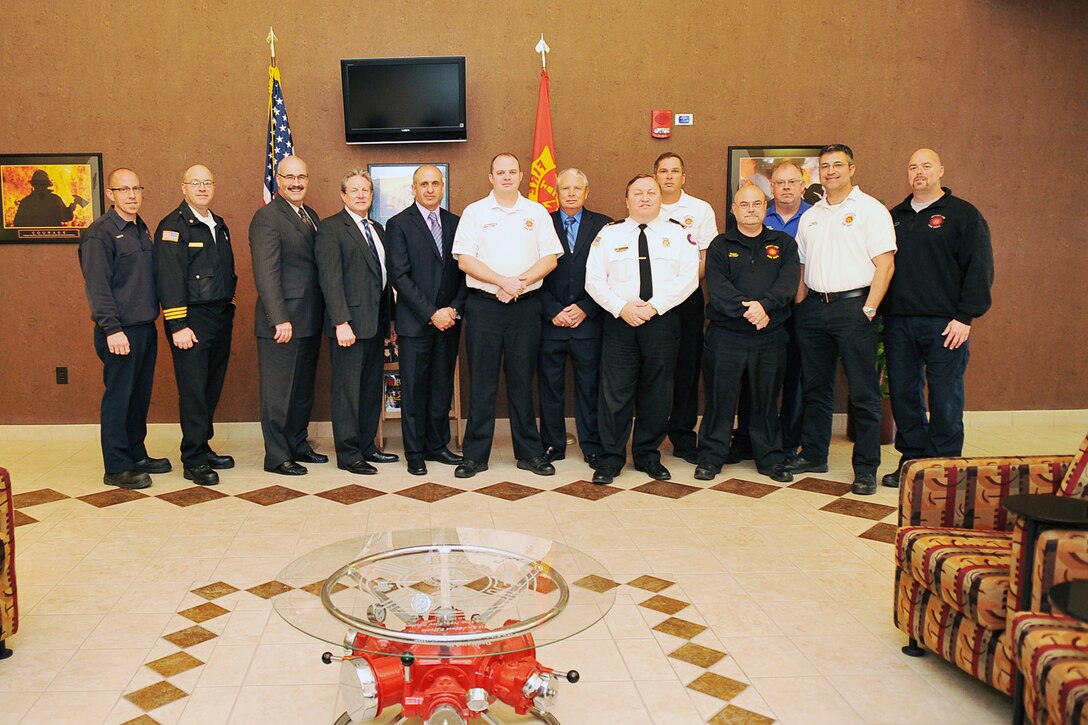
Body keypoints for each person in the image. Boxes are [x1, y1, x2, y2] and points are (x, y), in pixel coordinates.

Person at [786, 144, 896, 495]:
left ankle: (865, 468)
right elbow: (803, 267)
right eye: (824, 166)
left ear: (852, 168)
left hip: (854, 308)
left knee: (863, 392)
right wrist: (800, 306)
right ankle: (815, 454)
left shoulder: (870, 209)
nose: (830, 171)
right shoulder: (812, 215)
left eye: (837, 165)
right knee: (816, 387)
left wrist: (869, 308)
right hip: (814, 308)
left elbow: (886, 264)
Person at [881, 148, 994, 487]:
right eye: (913, 167)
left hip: (946, 324)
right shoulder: (895, 216)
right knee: (903, 393)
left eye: (926, 166)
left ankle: (944, 468)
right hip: (899, 322)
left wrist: (965, 317)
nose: (919, 172)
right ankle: (913, 461)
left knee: (945, 396)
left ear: (941, 170)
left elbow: (980, 268)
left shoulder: (963, 215)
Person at [451, 153, 562, 478]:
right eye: (500, 172)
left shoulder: (536, 212)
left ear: (521, 176)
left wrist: (518, 284)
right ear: (491, 176)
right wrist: (502, 282)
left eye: (512, 171)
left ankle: (529, 453)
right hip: (484, 307)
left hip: (525, 307)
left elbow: (550, 259)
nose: (507, 177)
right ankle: (475, 456)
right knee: (482, 383)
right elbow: (464, 261)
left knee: (522, 381)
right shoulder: (475, 212)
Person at [585, 174, 699, 485]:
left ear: (660, 198)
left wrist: (655, 306)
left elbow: (688, 278)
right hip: (620, 321)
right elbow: (594, 280)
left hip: (661, 321)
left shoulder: (678, 234)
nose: (645, 198)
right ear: (627, 200)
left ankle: (648, 455)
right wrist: (621, 308)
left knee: (657, 391)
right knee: (615, 393)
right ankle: (610, 458)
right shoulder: (609, 234)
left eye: (651, 192)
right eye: (637, 193)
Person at [696, 185, 799, 483]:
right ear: (734, 209)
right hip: (727, 336)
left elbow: (788, 282)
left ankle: (769, 459)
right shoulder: (719, 245)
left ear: (765, 208)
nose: (751, 209)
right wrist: (750, 311)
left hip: (770, 335)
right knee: (719, 399)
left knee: (766, 400)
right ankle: (711, 457)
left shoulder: (783, 244)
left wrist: (765, 307)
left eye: (756, 204)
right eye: (744, 204)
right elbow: (718, 288)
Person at [78, 168, 169, 489]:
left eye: (136, 189)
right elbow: (98, 287)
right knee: (119, 397)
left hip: (145, 326)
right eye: (124, 189)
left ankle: (136, 453)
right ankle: (117, 466)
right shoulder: (100, 233)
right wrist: (112, 329)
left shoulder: (141, 228)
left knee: (139, 396)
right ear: (110, 194)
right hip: (119, 332)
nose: (131, 195)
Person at [155, 165, 237, 486]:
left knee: (210, 387)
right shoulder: (173, 226)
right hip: (190, 320)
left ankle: (203, 444)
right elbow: (169, 277)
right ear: (183, 187)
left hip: (218, 317)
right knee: (192, 391)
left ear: (213, 187)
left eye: (207, 183)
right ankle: (193, 458)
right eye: (195, 183)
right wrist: (177, 325)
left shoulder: (218, 223)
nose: (202, 188)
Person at [316, 168, 399, 475]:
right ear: (343, 195)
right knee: (347, 392)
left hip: (376, 325)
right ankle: (349, 454)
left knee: (368, 390)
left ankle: (367, 447)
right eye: (354, 190)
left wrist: (390, 321)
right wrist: (340, 322)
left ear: (372, 195)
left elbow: (383, 279)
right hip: (348, 327)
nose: (361, 195)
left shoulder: (378, 229)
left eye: (366, 190)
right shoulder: (331, 229)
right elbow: (330, 280)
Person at [386, 164, 466, 476]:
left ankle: (437, 445)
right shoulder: (399, 224)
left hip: (449, 322)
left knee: (441, 388)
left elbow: (464, 273)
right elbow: (400, 277)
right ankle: (415, 452)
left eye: (435, 183)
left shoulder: (456, 223)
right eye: (424, 184)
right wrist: (432, 312)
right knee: (416, 390)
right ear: (414, 188)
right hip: (416, 323)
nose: (430, 189)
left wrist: (453, 311)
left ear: (443, 186)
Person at [249, 155, 326, 476]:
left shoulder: (310, 214)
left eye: (302, 177)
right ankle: (277, 455)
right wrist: (279, 318)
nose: (296, 183)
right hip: (282, 322)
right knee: (278, 393)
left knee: (302, 390)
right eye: (289, 177)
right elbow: (266, 272)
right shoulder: (267, 216)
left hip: (309, 318)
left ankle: (297, 443)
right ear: (277, 181)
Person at [730, 161, 812, 462]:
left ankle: (787, 441)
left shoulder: (814, 217)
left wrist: (768, 305)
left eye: (792, 182)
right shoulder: (762, 218)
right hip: (756, 315)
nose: (786, 187)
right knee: (754, 379)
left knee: (794, 377)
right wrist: (758, 309)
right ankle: (748, 439)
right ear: (771, 188)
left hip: (801, 308)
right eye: (780, 182)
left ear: (803, 185)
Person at [537, 168, 613, 470]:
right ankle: (553, 444)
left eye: (576, 188)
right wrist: (552, 310)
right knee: (550, 387)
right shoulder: (541, 223)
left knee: (590, 388)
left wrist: (586, 307)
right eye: (565, 188)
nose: (571, 193)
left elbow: (611, 275)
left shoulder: (605, 225)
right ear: (556, 191)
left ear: (586, 191)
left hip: (589, 321)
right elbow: (530, 270)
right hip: (550, 322)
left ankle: (592, 445)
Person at [654, 152, 717, 463]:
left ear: (683, 176)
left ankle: (682, 436)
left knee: (687, 366)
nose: (668, 176)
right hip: (650, 300)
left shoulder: (699, 209)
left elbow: (707, 256)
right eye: (663, 171)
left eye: (674, 171)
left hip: (688, 297)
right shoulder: (646, 204)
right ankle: (650, 435)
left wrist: (680, 288)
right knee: (654, 367)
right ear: (655, 176)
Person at [13, 169, 86, 227]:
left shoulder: (26, 202)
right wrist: (71, 207)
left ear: (33, 185)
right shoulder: (55, 199)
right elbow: (67, 217)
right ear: (47, 185)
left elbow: (17, 223)